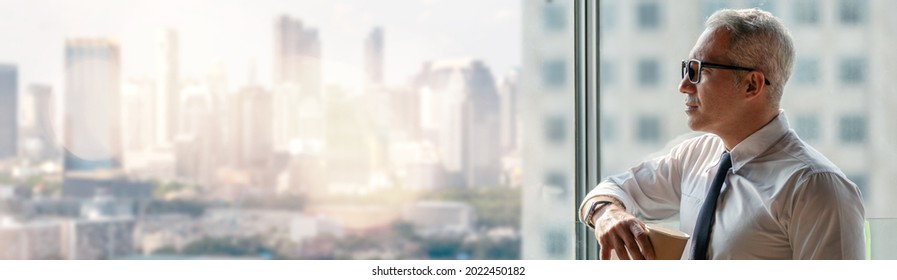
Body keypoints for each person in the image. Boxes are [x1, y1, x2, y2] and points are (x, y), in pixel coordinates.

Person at [579, 8, 866, 260]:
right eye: (685, 69)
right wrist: (607, 213)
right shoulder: (696, 155)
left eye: (698, 71)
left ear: (752, 85)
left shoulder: (817, 188)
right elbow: (610, 190)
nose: (683, 85)